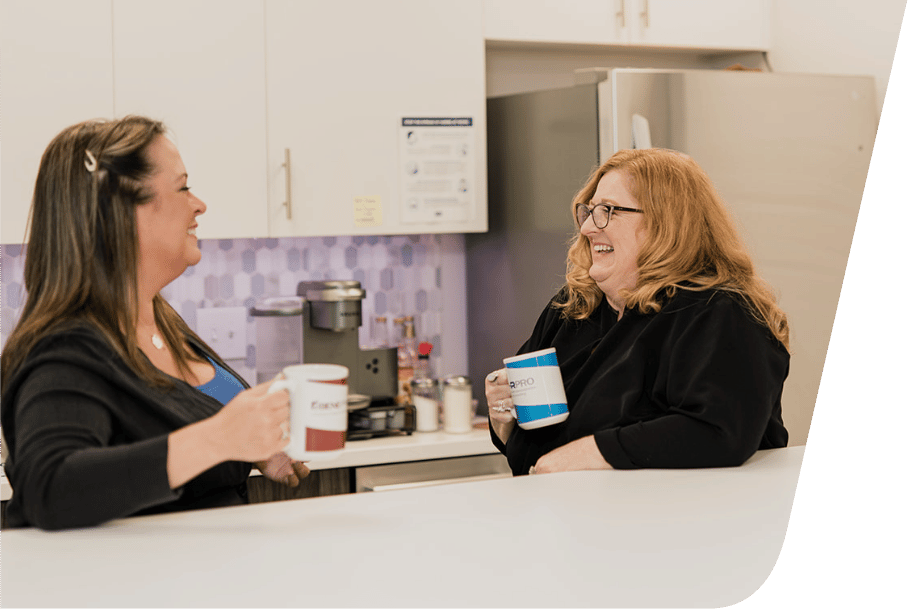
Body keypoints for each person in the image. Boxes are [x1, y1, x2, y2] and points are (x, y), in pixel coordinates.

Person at [0, 116, 308, 530]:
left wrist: (250, 446)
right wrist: (221, 438)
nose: (198, 204)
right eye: (182, 187)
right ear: (122, 212)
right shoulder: (65, 349)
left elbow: (175, 432)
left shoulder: (162, 322)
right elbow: (50, 487)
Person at [485, 148, 790, 476]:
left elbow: (719, 430)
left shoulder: (721, 312)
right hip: (563, 506)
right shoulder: (573, 308)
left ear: (666, 223)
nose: (588, 228)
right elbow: (534, 449)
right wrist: (505, 417)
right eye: (589, 211)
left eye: (608, 211)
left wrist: (592, 451)